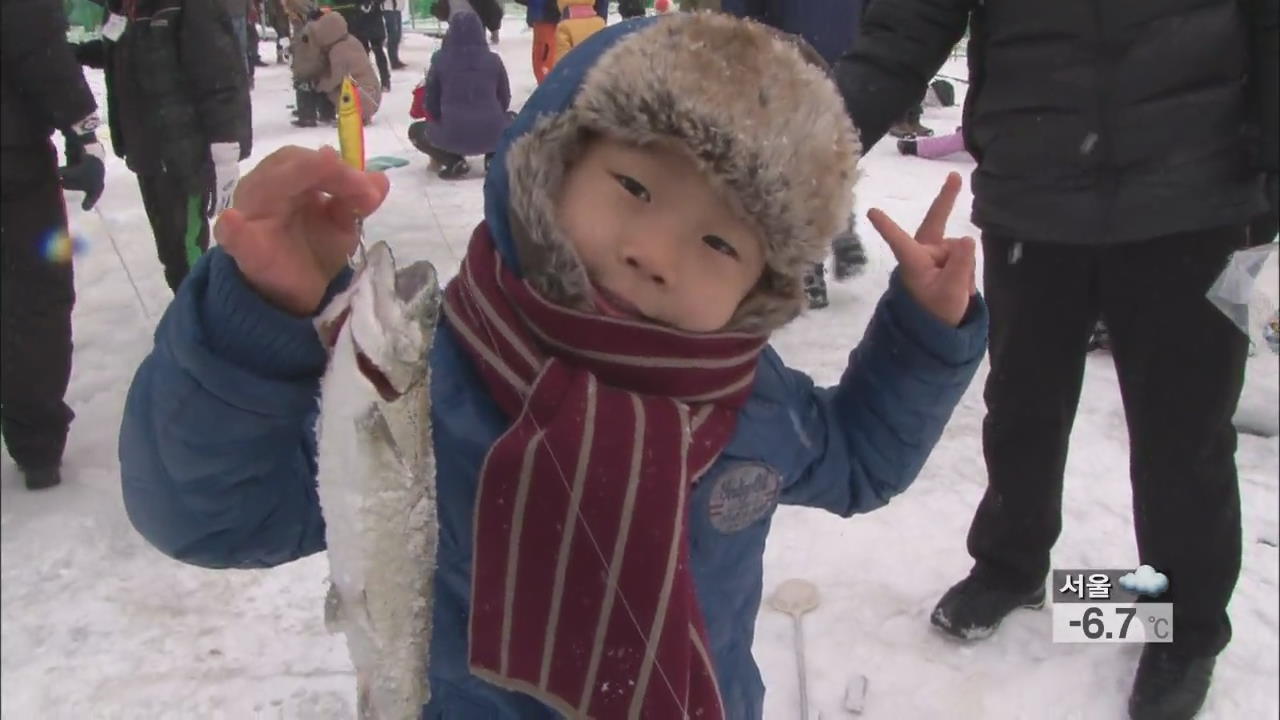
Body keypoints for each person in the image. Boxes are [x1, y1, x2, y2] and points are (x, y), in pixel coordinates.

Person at [118, 13, 987, 719]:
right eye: (636, 189)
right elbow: (213, 516)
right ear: (549, 164)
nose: (656, 253)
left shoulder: (749, 401)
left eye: (720, 241)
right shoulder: (433, 376)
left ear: (761, 287)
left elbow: (862, 461)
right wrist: (255, 320)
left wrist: (925, 333)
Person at [834, 0, 1278, 717]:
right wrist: (808, 154)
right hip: (1034, 193)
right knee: (1022, 407)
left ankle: (1184, 626)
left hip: (1195, 194)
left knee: (1183, 436)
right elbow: (903, 30)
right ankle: (1010, 567)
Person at [73, 0, 251, 293]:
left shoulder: (189, 7)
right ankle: (190, 316)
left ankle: (205, 324)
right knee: (171, 252)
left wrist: (226, 151)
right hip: (147, 151)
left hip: (187, 155)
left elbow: (220, 78)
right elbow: (119, 50)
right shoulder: (121, 7)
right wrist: (76, 54)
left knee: (189, 252)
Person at [1, 0, 105, 490]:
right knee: (33, 298)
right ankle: (36, 441)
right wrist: (83, 132)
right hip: (13, 167)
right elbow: (37, 48)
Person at [721, 0, 870, 308]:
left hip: (785, 61)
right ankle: (840, 224)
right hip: (845, 59)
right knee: (828, 152)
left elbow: (738, 15)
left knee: (788, 163)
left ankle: (809, 263)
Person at [406, 12, 511, 179]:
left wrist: (441, 121)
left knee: (416, 131)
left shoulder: (440, 60)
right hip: (492, 132)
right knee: (512, 119)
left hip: (452, 133)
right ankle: (493, 157)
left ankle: (453, 160)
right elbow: (504, 99)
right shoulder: (494, 60)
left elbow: (431, 103)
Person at [292, 9, 383, 124]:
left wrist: (318, 85)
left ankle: (312, 114)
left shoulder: (339, 50)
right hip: (370, 96)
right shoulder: (349, 40)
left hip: (361, 100)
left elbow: (337, 78)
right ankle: (326, 114)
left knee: (325, 85)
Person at [554, 0, 605, 65]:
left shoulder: (564, 27)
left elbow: (562, 63)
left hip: (576, 72)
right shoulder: (600, 23)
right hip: (598, 71)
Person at [383, 0, 406, 69]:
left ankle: (395, 59)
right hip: (389, 9)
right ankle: (393, 61)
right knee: (393, 35)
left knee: (397, 36)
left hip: (397, 8)